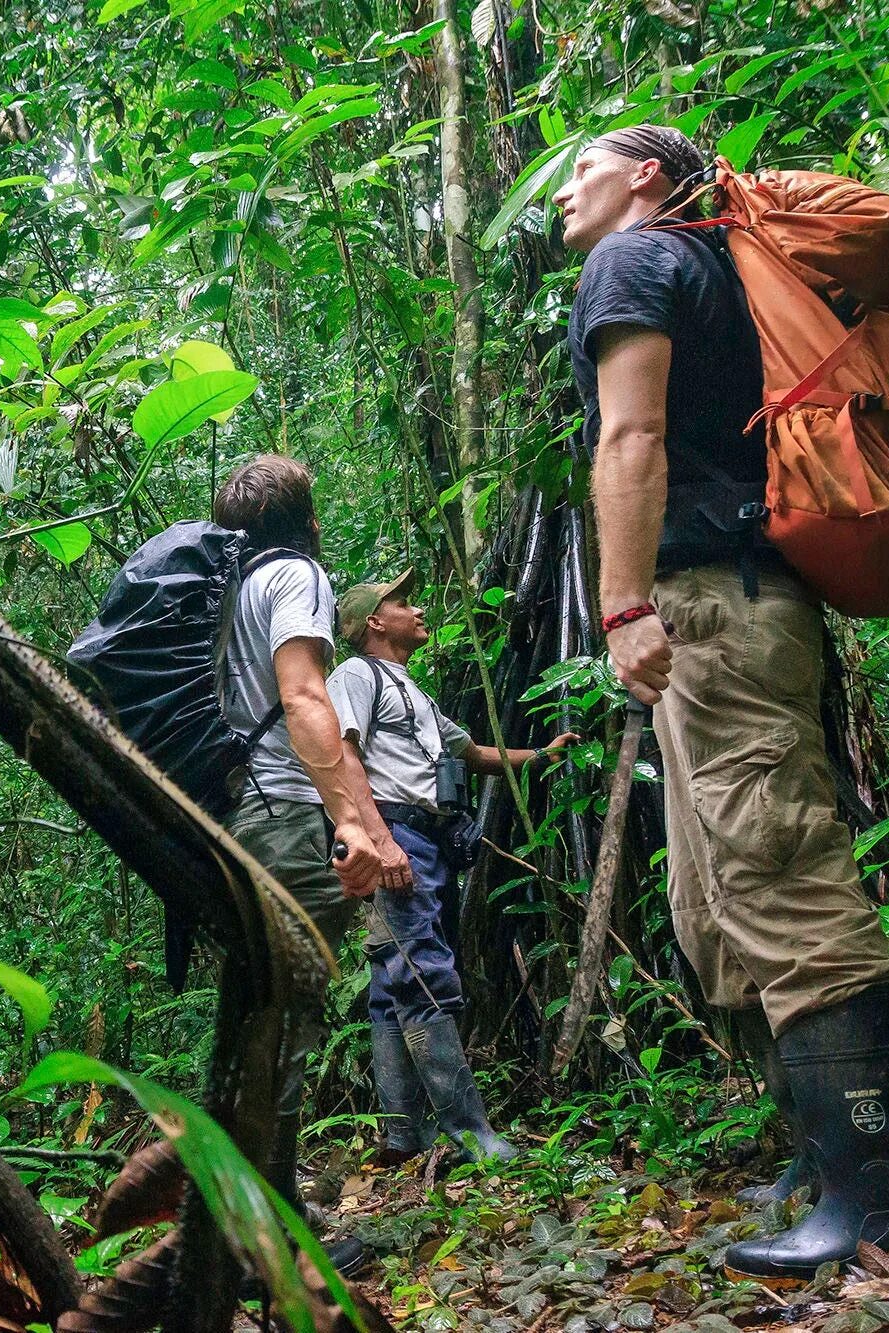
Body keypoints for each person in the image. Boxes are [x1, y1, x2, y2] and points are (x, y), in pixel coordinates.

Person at [552, 124, 889, 1280]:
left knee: (776, 876)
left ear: (642, 177)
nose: (564, 190)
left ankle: (879, 1194)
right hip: (744, 600)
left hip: (708, 606)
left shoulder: (635, 260)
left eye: (582, 167)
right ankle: (823, 1164)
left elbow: (628, 433)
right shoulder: (719, 270)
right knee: (719, 895)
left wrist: (621, 607)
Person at [211, 454, 408, 1219]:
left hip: (240, 817)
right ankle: (277, 1226)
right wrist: (353, 823)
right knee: (286, 1016)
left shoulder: (226, 592)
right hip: (289, 817)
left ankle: (249, 1206)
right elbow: (303, 695)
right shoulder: (297, 575)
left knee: (257, 1011)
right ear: (309, 520)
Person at [329, 572, 574, 1165]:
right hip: (396, 832)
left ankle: (403, 1137)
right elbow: (342, 754)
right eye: (401, 603)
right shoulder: (356, 675)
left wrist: (540, 755)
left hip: (429, 838)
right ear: (373, 623)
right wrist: (378, 839)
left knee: (394, 986)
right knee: (424, 976)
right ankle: (469, 1133)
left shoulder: (413, 691)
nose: (416, 610)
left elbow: (473, 754)